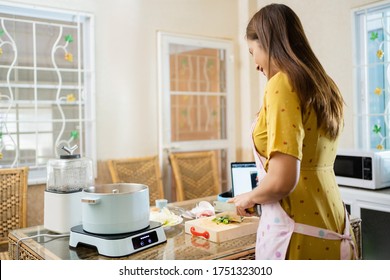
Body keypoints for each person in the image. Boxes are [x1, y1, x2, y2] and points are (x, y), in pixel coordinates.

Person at [228, 3, 357, 260]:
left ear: (268, 43)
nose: (254, 63)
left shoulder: (282, 83)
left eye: (253, 51)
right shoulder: (324, 85)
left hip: (297, 230)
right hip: (333, 222)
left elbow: (282, 181)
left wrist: (248, 197)